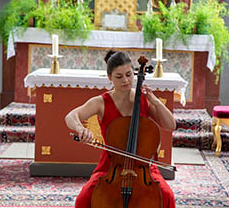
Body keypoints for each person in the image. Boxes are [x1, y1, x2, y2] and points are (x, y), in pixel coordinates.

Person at [65, 50, 176, 208]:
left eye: (129, 74)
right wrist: (80, 128)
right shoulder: (101, 102)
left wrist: (155, 101)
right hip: (111, 166)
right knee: (84, 199)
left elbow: (170, 125)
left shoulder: (143, 100)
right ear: (110, 77)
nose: (126, 80)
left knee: (167, 196)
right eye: (119, 76)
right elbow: (70, 116)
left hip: (142, 166)